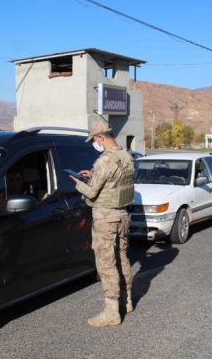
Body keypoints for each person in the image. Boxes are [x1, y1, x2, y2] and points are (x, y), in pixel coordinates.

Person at [69, 121, 135, 327]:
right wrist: (93, 175)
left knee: (106, 264)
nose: (94, 144)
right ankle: (127, 300)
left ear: (100, 138)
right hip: (122, 215)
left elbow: (92, 193)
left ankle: (111, 311)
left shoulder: (103, 161)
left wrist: (79, 183)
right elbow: (114, 182)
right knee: (121, 257)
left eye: (94, 140)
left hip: (106, 218)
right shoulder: (126, 156)